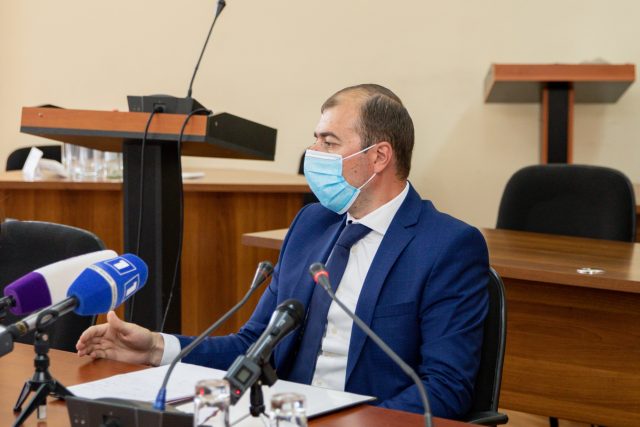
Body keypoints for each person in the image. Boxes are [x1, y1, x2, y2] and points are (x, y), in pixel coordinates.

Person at [76, 84, 489, 419]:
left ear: (379, 156)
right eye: (315, 139)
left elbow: (445, 388)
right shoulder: (311, 225)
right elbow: (252, 344)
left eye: (329, 142)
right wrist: (154, 348)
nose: (313, 154)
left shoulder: (447, 246)